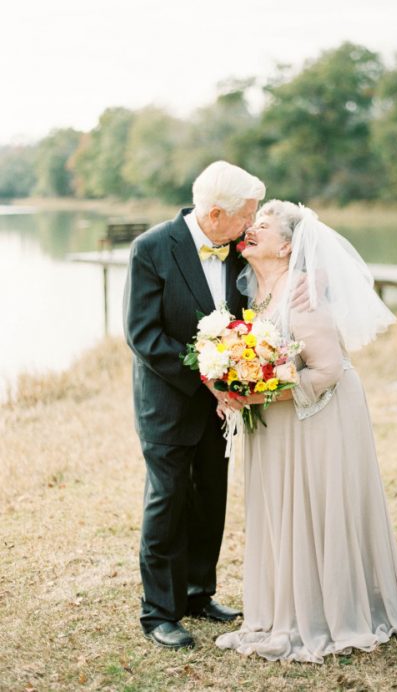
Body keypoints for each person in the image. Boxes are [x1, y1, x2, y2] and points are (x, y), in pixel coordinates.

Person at [215, 200, 397, 663]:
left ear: (287, 246)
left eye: (263, 225)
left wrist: (260, 395)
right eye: (253, 224)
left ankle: (327, 610)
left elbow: (329, 369)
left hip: (316, 416)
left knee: (318, 505)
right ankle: (290, 604)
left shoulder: (302, 292)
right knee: (286, 508)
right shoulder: (256, 291)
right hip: (279, 423)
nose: (252, 230)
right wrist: (231, 385)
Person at [123, 161, 265, 649]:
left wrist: (247, 369)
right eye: (247, 215)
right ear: (218, 212)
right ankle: (159, 612)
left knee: (211, 496)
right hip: (167, 402)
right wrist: (206, 380)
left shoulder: (235, 250)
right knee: (168, 501)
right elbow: (142, 335)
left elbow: (243, 318)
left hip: (220, 407)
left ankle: (198, 592)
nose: (252, 224)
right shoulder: (151, 248)